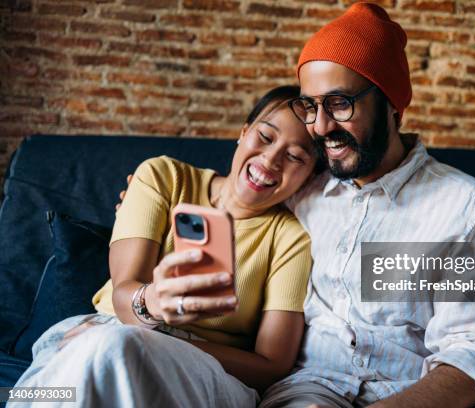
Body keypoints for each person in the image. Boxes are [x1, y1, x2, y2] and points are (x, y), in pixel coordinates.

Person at [256, 3, 475, 408]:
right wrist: (153, 196)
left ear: (392, 104)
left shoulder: (467, 209)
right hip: (312, 391)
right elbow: (230, 200)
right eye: (311, 106)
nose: (322, 127)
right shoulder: (300, 189)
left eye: (340, 103)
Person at [8, 86, 323, 408]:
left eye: (296, 156)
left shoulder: (293, 237)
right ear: (243, 133)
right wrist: (153, 303)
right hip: (113, 330)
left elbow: (272, 364)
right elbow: (123, 294)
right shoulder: (164, 177)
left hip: (211, 371)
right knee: (104, 350)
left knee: (112, 349)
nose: (271, 160)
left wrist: (161, 342)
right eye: (266, 137)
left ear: (310, 176)